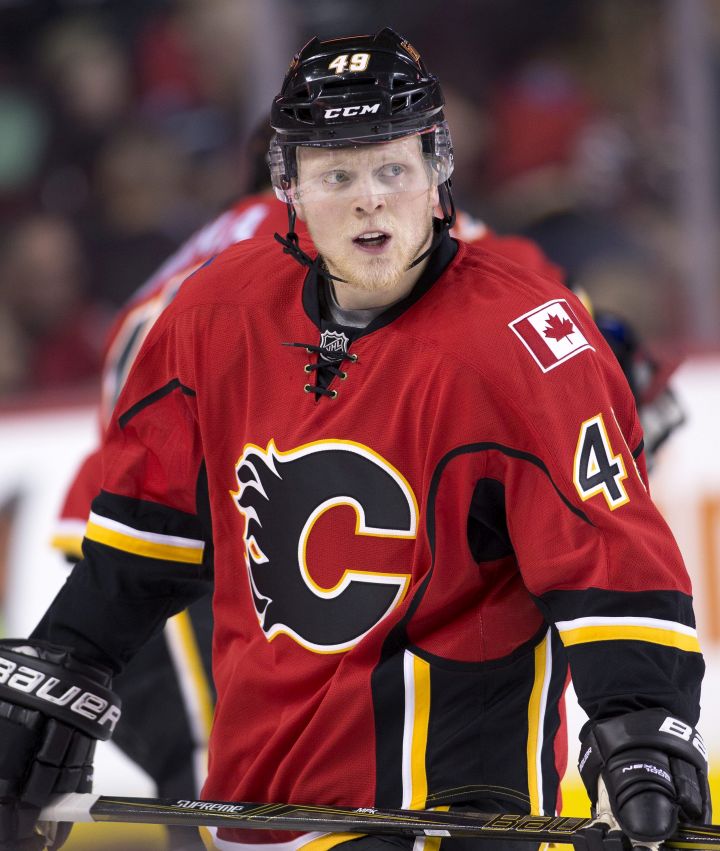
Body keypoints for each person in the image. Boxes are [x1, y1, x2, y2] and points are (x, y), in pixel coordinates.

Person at [0, 27, 708, 851]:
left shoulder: (526, 338)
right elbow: (147, 533)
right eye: (337, 173)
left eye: (392, 168)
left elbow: (608, 561)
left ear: (438, 167)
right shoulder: (213, 310)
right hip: (256, 795)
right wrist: (70, 661)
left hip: (450, 802)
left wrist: (643, 721)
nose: (370, 197)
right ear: (287, 185)